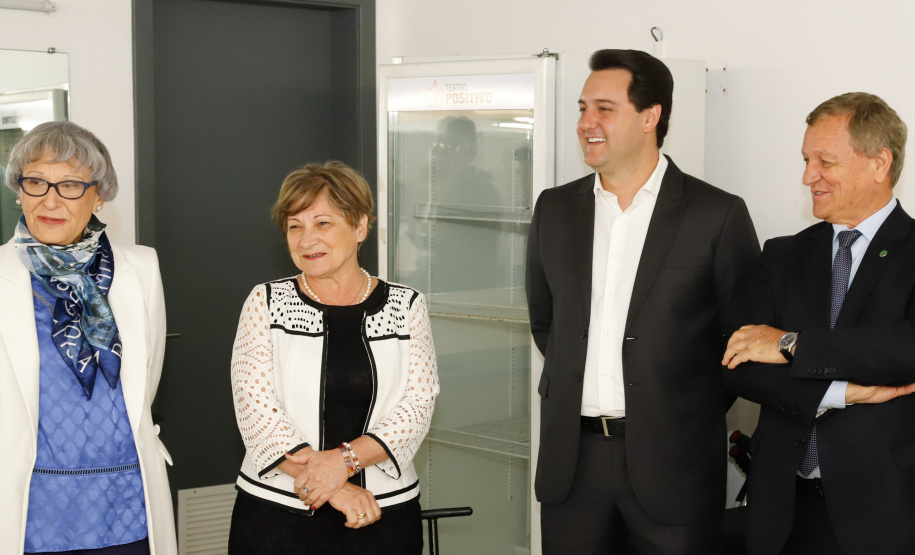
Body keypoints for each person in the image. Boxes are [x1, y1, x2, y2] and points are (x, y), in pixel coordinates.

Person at [526, 49, 760, 554]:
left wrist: (678, 407)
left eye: (604, 109)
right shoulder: (555, 209)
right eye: (582, 108)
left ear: (650, 116)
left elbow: (745, 340)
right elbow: (547, 323)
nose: (586, 122)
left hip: (675, 465)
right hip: (573, 465)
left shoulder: (716, 214)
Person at [723, 92, 915, 555]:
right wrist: (842, 392)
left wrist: (790, 345)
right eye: (806, 160)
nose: (809, 176)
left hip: (884, 511)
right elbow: (740, 361)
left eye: (825, 161)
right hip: (781, 505)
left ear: (879, 163)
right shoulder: (782, 254)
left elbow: (906, 348)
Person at [228, 161, 438, 554]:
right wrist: (336, 488)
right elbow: (255, 409)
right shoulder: (266, 302)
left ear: (360, 227)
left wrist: (343, 462)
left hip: (382, 512)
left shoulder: (406, 305)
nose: (307, 239)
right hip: (278, 513)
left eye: (322, 223)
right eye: (295, 226)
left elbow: (418, 406)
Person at [0, 121, 177, 554]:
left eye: (70, 185)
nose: (50, 200)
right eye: (36, 182)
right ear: (19, 190)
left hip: (127, 499)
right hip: (29, 506)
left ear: (99, 196)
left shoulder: (141, 268)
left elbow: (147, 377)